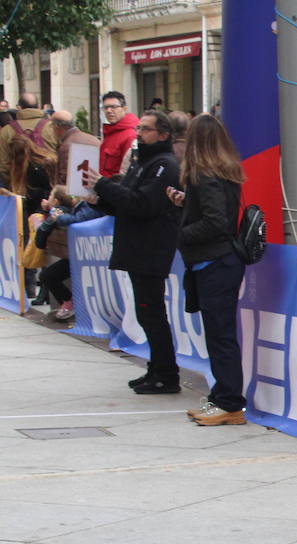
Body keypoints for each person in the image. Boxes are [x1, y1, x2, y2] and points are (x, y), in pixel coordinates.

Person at [87, 110, 181, 394]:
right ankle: (156, 368)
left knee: (152, 313)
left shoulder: (165, 164)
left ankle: (166, 374)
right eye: (139, 128)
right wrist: (100, 199)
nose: (139, 134)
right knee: (146, 314)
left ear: (163, 135)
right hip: (137, 248)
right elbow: (125, 202)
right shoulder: (143, 162)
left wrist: (104, 185)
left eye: (146, 129)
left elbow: (144, 204)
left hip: (151, 249)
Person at [168, 114, 249, 426]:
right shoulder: (222, 172)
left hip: (215, 261)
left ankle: (229, 402)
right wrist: (185, 204)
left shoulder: (205, 174)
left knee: (220, 336)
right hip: (218, 261)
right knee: (219, 335)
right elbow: (216, 212)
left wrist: (183, 233)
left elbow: (216, 221)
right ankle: (222, 397)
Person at [32, 185, 100, 322]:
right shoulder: (79, 206)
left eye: (51, 197)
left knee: (48, 275)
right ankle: (69, 303)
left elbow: (76, 220)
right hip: (77, 254)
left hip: (89, 254)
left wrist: (54, 213)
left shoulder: (86, 206)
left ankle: (72, 306)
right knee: (47, 275)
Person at [48, 110, 99, 188]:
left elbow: (64, 180)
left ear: (56, 127)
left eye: (51, 126)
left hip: (77, 194)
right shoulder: (94, 139)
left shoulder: (66, 147)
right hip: (96, 191)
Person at [98, 91, 138, 178]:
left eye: (113, 107)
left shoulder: (130, 135)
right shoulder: (111, 132)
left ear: (124, 109)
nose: (109, 111)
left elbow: (128, 171)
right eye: (106, 107)